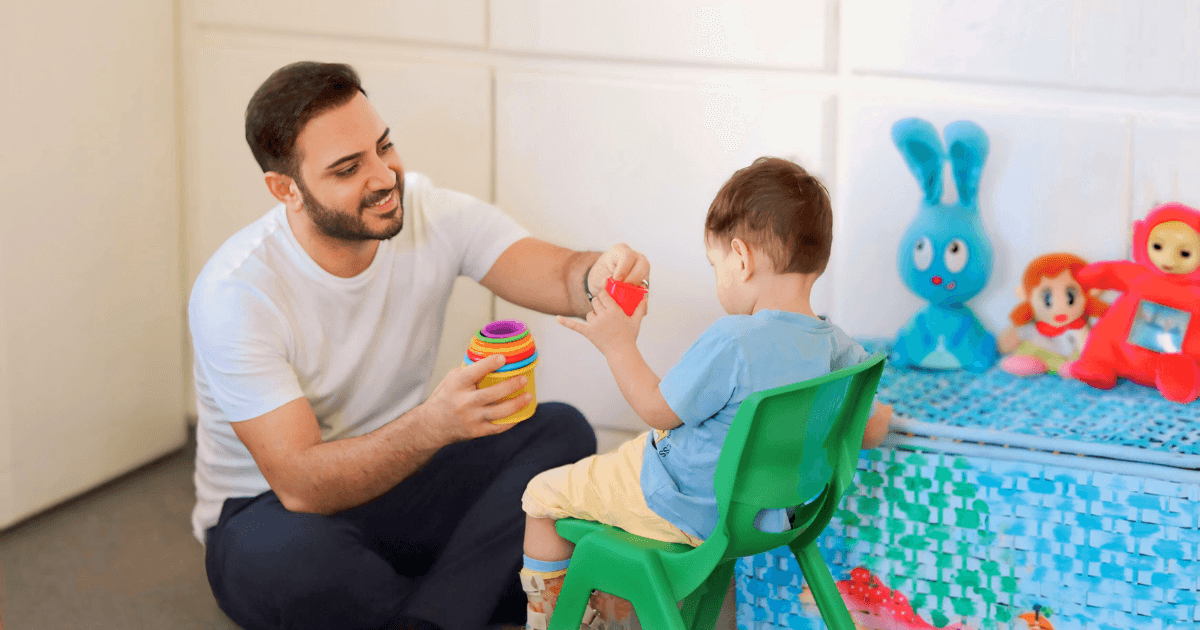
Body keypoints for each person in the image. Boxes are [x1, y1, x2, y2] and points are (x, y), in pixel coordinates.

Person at [189, 61, 650, 630]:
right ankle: (468, 598)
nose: (384, 177)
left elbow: (560, 277)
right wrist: (435, 425)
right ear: (287, 190)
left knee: (559, 431)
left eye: (384, 147)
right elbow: (302, 484)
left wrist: (600, 275)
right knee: (286, 562)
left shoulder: (428, 212)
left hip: (404, 480)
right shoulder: (236, 291)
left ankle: (427, 615)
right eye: (348, 168)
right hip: (272, 510)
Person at [517, 157, 895, 630]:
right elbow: (874, 428)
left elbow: (658, 408)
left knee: (542, 496)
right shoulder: (839, 348)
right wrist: (886, 413)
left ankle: (558, 619)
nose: (718, 277)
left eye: (716, 265)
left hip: (679, 501)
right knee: (645, 465)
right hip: (759, 519)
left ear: (741, 258)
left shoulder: (733, 340)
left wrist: (618, 344)